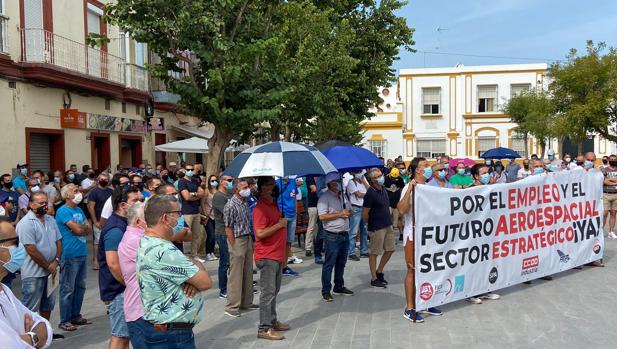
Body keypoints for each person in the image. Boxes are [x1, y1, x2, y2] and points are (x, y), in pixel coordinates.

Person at [137, 195, 212, 348]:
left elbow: (193, 276)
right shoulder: (164, 250)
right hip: (172, 335)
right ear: (165, 217)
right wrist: (194, 272)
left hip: (168, 331)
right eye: (178, 213)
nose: (180, 218)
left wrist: (191, 277)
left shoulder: (149, 241)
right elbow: (205, 282)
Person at [398, 157, 443, 323]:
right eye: (425, 166)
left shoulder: (430, 188)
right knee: (412, 270)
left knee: (429, 269)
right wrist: (410, 189)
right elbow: (401, 210)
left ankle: (427, 301)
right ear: (417, 170)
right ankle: (410, 308)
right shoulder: (409, 188)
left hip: (430, 236)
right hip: (413, 236)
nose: (429, 168)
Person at [17, 191, 64, 340]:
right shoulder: (25, 223)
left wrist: (56, 260)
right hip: (34, 273)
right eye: (41, 203)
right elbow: (30, 249)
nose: (45, 205)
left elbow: (58, 241)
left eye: (46, 202)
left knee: (47, 305)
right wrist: (47, 265)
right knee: (30, 308)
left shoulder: (50, 219)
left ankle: (45, 333)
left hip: (51, 271)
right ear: (31, 204)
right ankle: (27, 339)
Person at [99, 187, 142, 349]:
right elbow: (113, 263)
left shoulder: (125, 223)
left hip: (124, 289)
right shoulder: (116, 228)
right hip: (118, 290)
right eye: (135, 201)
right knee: (120, 335)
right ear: (123, 205)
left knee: (126, 334)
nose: (139, 203)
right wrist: (130, 285)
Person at [0, 220, 53, 348]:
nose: (20, 248)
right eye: (14, 242)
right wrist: (33, 337)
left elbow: (45, 326)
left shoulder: (4, 290)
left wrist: (29, 338)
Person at [252, 176, 291, 340]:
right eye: (268, 185)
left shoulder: (273, 203)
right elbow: (259, 233)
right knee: (267, 293)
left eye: (273, 184)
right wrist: (279, 225)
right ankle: (264, 328)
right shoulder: (260, 208)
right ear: (261, 188)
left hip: (277, 254)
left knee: (274, 291)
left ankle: (272, 320)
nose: (272, 187)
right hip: (267, 255)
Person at [56, 184, 92, 331]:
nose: (79, 193)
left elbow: (88, 228)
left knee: (80, 287)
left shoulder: (78, 210)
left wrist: (81, 228)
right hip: (69, 254)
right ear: (67, 195)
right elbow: (79, 229)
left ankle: (76, 315)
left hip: (81, 253)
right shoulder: (63, 211)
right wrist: (81, 228)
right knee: (67, 288)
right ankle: (65, 320)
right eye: (75, 191)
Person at [465, 164, 503, 302]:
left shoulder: (490, 188)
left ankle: (486, 289)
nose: (488, 175)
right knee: (473, 263)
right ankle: (471, 292)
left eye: (488, 172)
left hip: (489, 232)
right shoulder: (469, 190)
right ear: (476, 176)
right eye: (484, 173)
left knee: (487, 261)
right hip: (474, 233)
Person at [318, 172, 354, 302]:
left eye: (339, 181)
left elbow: (350, 211)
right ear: (330, 183)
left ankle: (339, 286)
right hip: (332, 235)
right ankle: (326, 290)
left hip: (344, 233)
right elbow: (322, 216)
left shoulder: (343, 196)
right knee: (329, 263)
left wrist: (349, 212)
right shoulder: (324, 197)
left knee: (341, 263)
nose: (339, 183)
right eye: (336, 181)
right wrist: (340, 214)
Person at [223, 178, 257, 317]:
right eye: (243, 187)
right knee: (236, 274)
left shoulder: (244, 202)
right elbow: (228, 228)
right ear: (237, 189)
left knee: (248, 271)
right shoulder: (230, 205)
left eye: (247, 186)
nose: (247, 189)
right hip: (237, 239)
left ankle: (246, 302)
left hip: (247, 237)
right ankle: (232, 306)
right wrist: (234, 247)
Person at [117, 202, 148, 349]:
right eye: (149, 217)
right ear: (138, 222)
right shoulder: (136, 240)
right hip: (140, 311)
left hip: (145, 309)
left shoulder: (142, 237)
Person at [363, 168, 396, 288]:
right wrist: (370, 224)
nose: (381, 177)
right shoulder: (370, 193)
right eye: (378, 176)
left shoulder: (383, 190)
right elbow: (365, 213)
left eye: (381, 175)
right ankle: (374, 278)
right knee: (374, 252)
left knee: (390, 249)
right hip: (377, 227)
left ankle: (379, 270)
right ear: (372, 180)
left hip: (387, 225)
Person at [178, 164, 207, 261]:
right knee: (183, 234)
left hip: (196, 211)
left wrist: (193, 194)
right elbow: (186, 197)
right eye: (188, 169)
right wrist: (195, 195)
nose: (190, 171)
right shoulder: (182, 182)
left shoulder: (195, 181)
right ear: (184, 170)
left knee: (196, 235)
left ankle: (194, 255)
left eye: (192, 169)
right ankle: (181, 255)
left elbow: (202, 193)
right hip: (187, 212)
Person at [88, 172, 113, 270]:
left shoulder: (111, 191)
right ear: (98, 181)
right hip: (99, 221)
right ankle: (96, 260)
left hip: (110, 221)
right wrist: (95, 221)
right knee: (97, 242)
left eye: (106, 179)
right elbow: (91, 207)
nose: (104, 181)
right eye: (102, 179)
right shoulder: (94, 192)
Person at [276, 177, 301, 276]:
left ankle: (284, 266)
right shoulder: (277, 184)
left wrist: (295, 211)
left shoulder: (292, 182)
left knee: (289, 242)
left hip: (292, 215)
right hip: (283, 216)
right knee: (281, 242)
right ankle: (278, 265)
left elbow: (294, 197)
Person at [346, 170, 369, 260]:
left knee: (364, 231)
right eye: (357, 172)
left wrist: (363, 181)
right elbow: (358, 194)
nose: (359, 174)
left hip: (364, 208)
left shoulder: (364, 181)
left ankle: (364, 251)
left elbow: (370, 190)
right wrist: (368, 194)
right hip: (356, 208)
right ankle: (351, 252)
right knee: (353, 232)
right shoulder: (351, 182)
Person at [383, 167, 405, 240]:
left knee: (395, 223)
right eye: (393, 177)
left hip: (396, 203)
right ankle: (386, 237)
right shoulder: (385, 179)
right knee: (386, 221)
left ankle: (391, 238)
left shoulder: (399, 179)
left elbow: (402, 188)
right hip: (388, 203)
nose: (394, 179)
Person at [203, 175, 220, 261]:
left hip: (216, 216)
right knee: (211, 235)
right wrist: (205, 213)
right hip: (208, 216)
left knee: (215, 236)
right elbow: (202, 202)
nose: (214, 182)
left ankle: (212, 252)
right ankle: (208, 253)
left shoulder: (218, 191)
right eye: (212, 181)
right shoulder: (207, 191)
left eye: (215, 180)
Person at [602, 154, 617, 239]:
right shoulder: (604, 170)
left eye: (614, 159)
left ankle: (611, 231)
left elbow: (608, 180)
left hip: (615, 194)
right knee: (605, 213)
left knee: (614, 213)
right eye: (611, 159)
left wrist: (610, 180)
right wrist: (615, 182)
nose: (613, 160)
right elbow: (604, 181)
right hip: (606, 194)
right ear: (608, 160)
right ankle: (601, 230)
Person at [304, 176, 319, 260]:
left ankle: (318, 245)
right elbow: (313, 189)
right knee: (311, 227)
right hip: (313, 205)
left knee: (320, 228)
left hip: (321, 204)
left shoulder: (320, 177)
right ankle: (308, 248)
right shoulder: (309, 177)